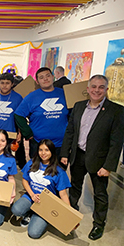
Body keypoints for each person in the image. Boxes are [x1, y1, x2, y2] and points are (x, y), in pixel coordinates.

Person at [60, 75, 124, 240]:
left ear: (106, 89)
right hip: (78, 156)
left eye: (101, 87)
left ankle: (98, 225)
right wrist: (65, 153)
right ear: (87, 89)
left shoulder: (116, 111)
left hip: (100, 161)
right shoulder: (79, 106)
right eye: (93, 86)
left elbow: (116, 142)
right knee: (74, 188)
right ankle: (71, 216)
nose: (97, 90)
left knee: (100, 194)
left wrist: (109, 166)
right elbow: (70, 132)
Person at [11, 139, 71, 239]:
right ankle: (29, 211)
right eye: (40, 150)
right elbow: (25, 181)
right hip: (31, 196)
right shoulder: (32, 163)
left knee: (34, 233)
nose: (43, 153)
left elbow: (63, 194)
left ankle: (36, 213)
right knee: (16, 210)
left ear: (52, 151)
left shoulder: (59, 171)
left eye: (47, 150)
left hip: (46, 203)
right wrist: (32, 195)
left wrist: (69, 214)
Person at [14, 67, 69, 159]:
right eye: (41, 77)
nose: (45, 79)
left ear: (53, 77)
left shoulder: (64, 94)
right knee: (37, 172)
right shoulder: (31, 97)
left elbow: (73, 114)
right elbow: (18, 115)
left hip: (61, 144)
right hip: (38, 143)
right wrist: (27, 133)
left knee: (58, 171)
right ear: (37, 81)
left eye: (48, 76)